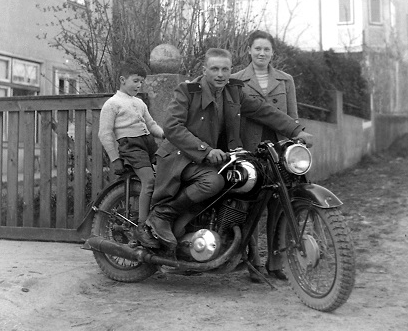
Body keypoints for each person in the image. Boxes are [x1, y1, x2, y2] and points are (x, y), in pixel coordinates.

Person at [144, 48, 313, 256]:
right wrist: (205, 150)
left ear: (231, 70)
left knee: (249, 184)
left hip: (214, 158)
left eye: (225, 69)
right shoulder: (188, 91)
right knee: (212, 182)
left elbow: (264, 111)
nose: (220, 74)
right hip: (181, 158)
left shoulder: (234, 92)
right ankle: (162, 215)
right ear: (204, 70)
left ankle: (231, 245)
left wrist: (297, 130)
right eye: (214, 69)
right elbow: (172, 127)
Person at [232, 30, 298, 282]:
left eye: (266, 49)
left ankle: (275, 263)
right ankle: (254, 263)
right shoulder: (236, 80)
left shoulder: (285, 80)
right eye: (257, 48)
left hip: (279, 153)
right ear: (248, 50)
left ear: (272, 53)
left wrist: (294, 142)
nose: (261, 53)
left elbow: (292, 116)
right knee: (251, 206)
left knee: (279, 207)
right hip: (251, 153)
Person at [98, 60, 164, 249]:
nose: (138, 85)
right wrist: (115, 158)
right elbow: (104, 133)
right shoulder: (112, 104)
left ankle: (159, 220)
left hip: (147, 143)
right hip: (130, 146)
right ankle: (142, 228)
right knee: (149, 181)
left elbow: (151, 125)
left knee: (168, 175)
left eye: (141, 82)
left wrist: (165, 134)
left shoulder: (139, 103)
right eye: (135, 81)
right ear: (122, 80)